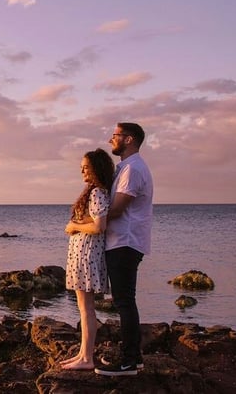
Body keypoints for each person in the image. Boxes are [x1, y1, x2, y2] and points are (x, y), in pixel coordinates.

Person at [94, 122, 154, 377]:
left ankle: (131, 361)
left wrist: (86, 225)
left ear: (128, 139)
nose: (111, 140)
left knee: (124, 301)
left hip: (125, 242)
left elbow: (117, 210)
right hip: (121, 242)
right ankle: (133, 358)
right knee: (124, 301)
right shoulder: (126, 168)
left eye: (115, 136)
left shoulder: (133, 169)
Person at [60, 148, 115, 370]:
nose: (82, 170)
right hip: (84, 255)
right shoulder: (95, 191)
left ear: (96, 168)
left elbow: (99, 226)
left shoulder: (97, 193)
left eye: (86, 167)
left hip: (87, 256)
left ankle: (86, 358)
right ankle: (83, 353)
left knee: (86, 309)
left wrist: (74, 225)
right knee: (84, 308)